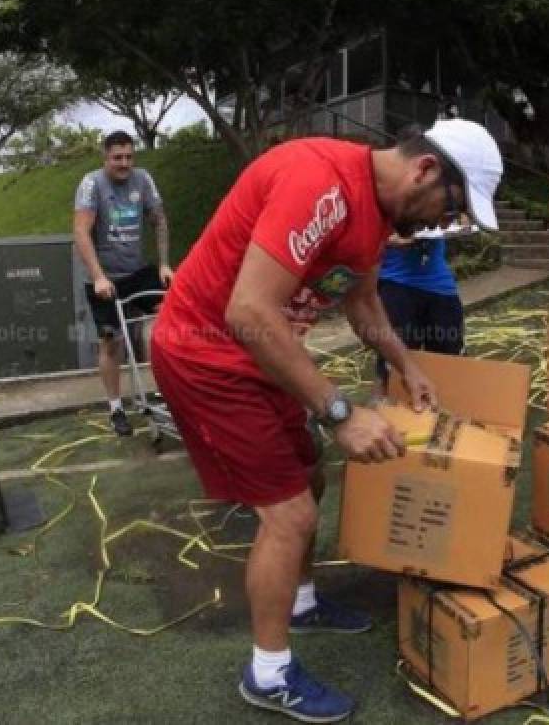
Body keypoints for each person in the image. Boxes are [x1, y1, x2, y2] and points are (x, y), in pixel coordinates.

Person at [150, 119, 503, 722]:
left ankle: (303, 602)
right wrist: (340, 412)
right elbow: (249, 310)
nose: (443, 225)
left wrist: (405, 365)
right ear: (423, 170)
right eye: (450, 206)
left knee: (308, 477)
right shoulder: (321, 182)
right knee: (290, 514)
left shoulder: (376, 212)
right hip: (206, 354)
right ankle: (267, 673)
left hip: (262, 353)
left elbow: (362, 303)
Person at [74, 130, 174, 437]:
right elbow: (80, 232)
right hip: (104, 276)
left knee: (173, 315)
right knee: (111, 341)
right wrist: (99, 276)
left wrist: (164, 264)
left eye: (129, 156)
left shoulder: (142, 179)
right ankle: (116, 407)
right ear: (106, 158)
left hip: (136, 271)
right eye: (118, 158)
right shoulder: (92, 184)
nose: (124, 163)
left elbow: (159, 220)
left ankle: (170, 389)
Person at [374, 231, 464, 396]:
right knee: (395, 360)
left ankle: (446, 414)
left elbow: (464, 218)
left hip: (440, 286)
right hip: (396, 283)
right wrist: (387, 239)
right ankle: (385, 410)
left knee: (449, 359)